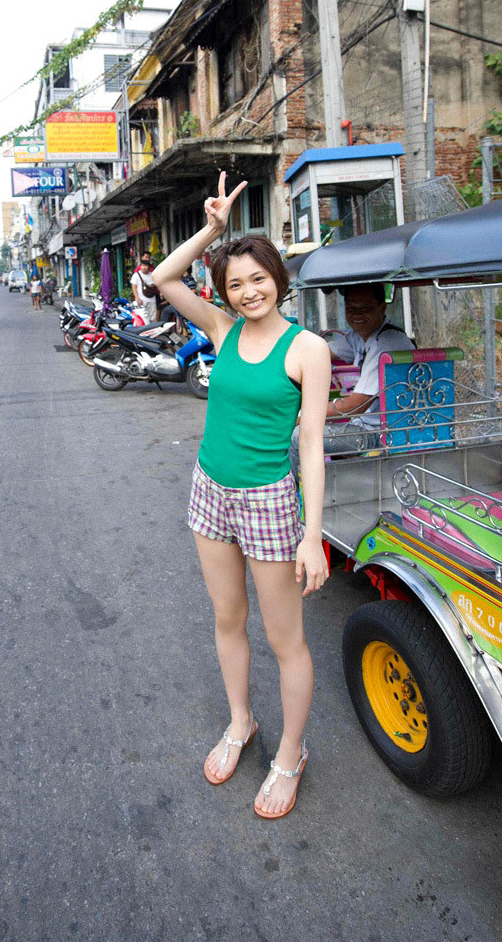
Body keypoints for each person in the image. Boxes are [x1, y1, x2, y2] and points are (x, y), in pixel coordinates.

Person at [152, 174, 330, 819]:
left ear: (278, 279)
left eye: (259, 279)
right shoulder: (223, 331)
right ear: (224, 292)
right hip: (209, 491)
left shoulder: (307, 348)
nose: (248, 292)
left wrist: (312, 535)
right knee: (228, 618)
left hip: (268, 502)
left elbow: (310, 444)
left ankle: (291, 755)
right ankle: (240, 723)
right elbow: (163, 281)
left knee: (287, 640)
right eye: (235, 283)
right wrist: (213, 232)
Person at [290, 282, 414, 469]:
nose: (357, 315)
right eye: (351, 308)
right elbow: (319, 352)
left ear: (382, 307)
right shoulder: (362, 337)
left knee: (299, 435)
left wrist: (303, 415)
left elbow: (355, 405)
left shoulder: (386, 343)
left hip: (381, 435)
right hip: (364, 426)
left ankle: (295, 494)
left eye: (365, 308)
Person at [130, 253, 158, 324]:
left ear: (148, 267)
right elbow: (134, 287)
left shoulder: (152, 275)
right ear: (140, 266)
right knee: (143, 317)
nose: (144, 267)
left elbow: (156, 285)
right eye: (142, 265)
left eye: (145, 266)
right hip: (142, 300)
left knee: (153, 317)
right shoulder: (136, 275)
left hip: (151, 299)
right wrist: (137, 298)